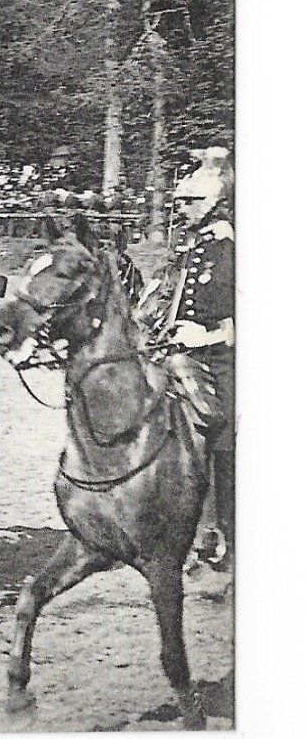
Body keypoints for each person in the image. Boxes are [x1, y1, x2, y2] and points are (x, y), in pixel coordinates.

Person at [163, 146, 236, 574]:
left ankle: (221, 529)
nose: (182, 209)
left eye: (189, 202)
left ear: (210, 203)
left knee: (218, 431)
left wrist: (203, 334)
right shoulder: (198, 244)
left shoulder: (228, 246)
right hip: (191, 354)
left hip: (224, 362)